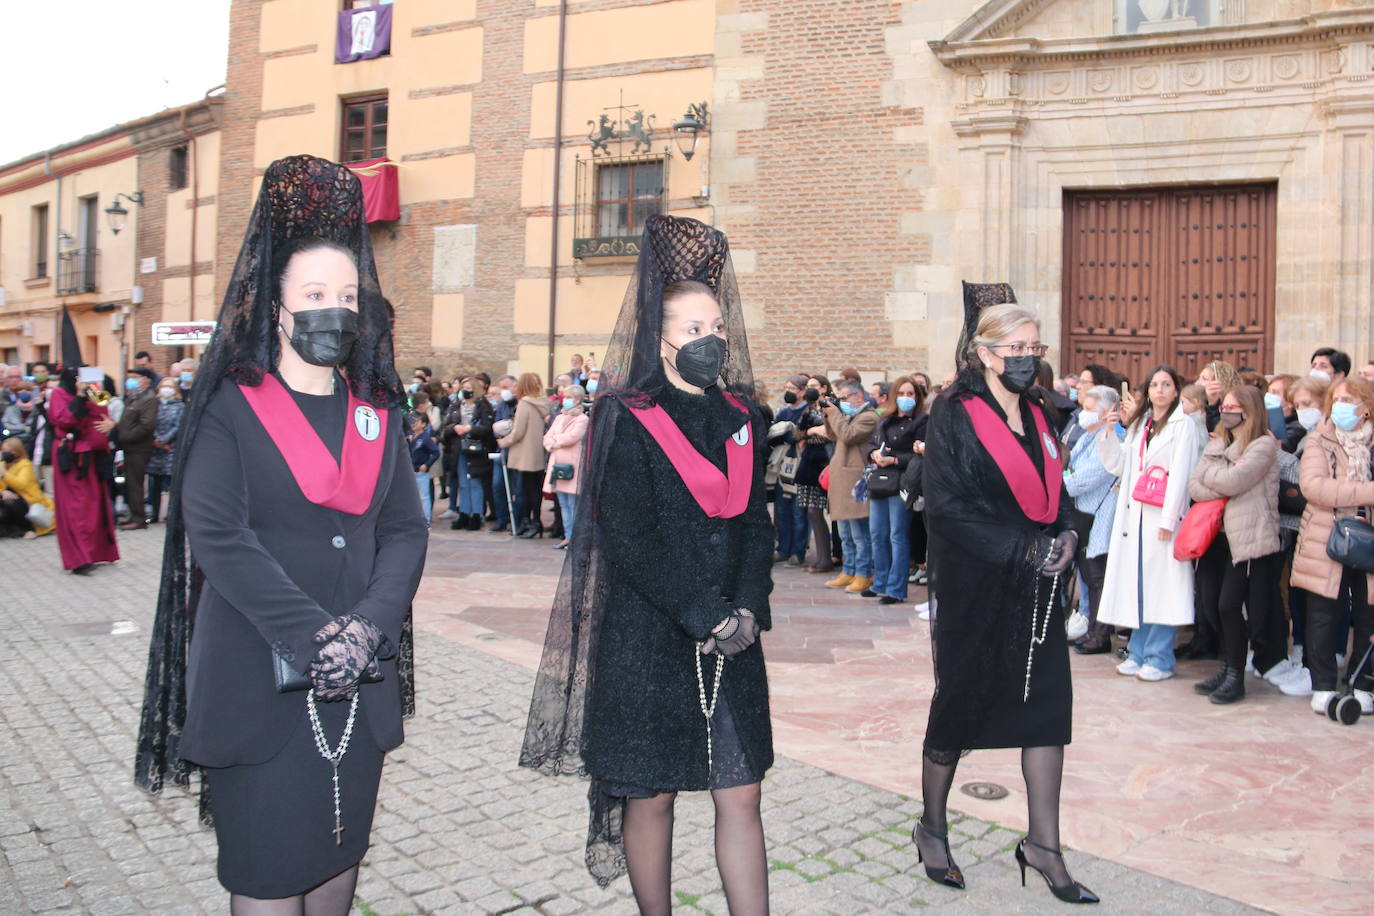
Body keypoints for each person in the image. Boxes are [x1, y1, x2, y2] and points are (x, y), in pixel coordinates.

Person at [133, 155, 428, 914]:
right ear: (277, 309)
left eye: (348, 295)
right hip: (258, 678)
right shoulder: (230, 406)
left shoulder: (377, 412)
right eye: (315, 295)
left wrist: (366, 629)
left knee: (339, 865)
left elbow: (403, 530)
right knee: (267, 879)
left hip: (358, 681)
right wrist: (320, 635)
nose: (336, 309)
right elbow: (220, 536)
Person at [520, 216, 774, 913]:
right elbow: (627, 539)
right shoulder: (624, 416)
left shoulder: (742, 415)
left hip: (734, 634)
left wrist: (747, 606)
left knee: (742, 788)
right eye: (693, 331)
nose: (710, 341)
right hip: (650, 634)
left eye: (716, 327)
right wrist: (705, 613)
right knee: (653, 795)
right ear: (657, 338)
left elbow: (755, 522)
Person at [917, 300, 1095, 904]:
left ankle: (1044, 844)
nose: (1024, 360)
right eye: (1013, 349)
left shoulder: (1042, 415)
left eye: (1034, 349)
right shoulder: (954, 415)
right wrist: (1024, 549)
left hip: (1038, 590)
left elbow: (1058, 490)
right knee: (959, 709)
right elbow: (946, 508)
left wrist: (1069, 533)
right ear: (985, 354)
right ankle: (932, 827)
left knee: (1047, 712)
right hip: (978, 586)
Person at [1096, 365, 1206, 681]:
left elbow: (1182, 473)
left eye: (1166, 384)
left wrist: (1170, 520)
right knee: (1139, 587)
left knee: (1163, 588)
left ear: (1175, 391)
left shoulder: (1182, 425)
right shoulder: (1142, 424)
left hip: (1162, 517)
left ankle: (1160, 657)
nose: (1159, 390)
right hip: (1135, 518)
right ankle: (1139, 651)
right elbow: (1120, 465)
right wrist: (1107, 434)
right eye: (1154, 384)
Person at [1186, 386, 1288, 703]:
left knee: (1231, 607)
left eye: (1234, 407)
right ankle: (1227, 667)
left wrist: (1217, 475)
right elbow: (1195, 484)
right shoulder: (1219, 441)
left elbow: (1232, 482)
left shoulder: (1262, 446)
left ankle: (1236, 676)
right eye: (1225, 405)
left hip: (1248, 538)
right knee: (1214, 604)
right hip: (1218, 537)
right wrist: (1224, 475)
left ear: (1250, 410)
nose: (1226, 411)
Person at [1292, 376, 1374, 717]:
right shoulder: (1319, 441)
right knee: (1323, 615)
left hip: (1369, 540)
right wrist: (1368, 492)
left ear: (1366, 407)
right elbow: (1315, 487)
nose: (1340, 405)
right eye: (1335, 399)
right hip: (1327, 537)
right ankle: (1323, 684)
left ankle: (1364, 683)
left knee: (1369, 617)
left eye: (1348, 399)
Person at [1063, 385, 1120, 655]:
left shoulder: (1110, 437)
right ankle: (1092, 630)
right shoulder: (1089, 435)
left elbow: (1082, 479)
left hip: (1100, 514)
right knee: (1088, 575)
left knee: (1098, 576)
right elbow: (1071, 466)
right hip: (1084, 515)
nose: (1081, 414)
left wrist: (1059, 481)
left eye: (1087, 409)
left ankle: (1102, 635)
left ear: (1105, 411)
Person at [48, 363, 120, 574]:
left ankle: (96, 553)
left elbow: (104, 412)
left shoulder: (96, 392)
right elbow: (64, 420)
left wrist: (112, 425)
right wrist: (80, 396)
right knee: (76, 507)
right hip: (71, 457)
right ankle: (79, 558)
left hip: (94, 457)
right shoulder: (59, 394)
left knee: (95, 505)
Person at [866, 376, 926, 603]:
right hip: (880, 482)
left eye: (910, 394)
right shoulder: (885, 419)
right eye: (901, 394)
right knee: (877, 534)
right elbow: (872, 444)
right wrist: (874, 454)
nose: (905, 398)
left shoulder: (921, 420)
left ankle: (896, 589)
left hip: (903, 482)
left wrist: (893, 460)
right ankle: (879, 582)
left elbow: (918, 453)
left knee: (897, 535)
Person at [823, 379, 879, 594]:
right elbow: (832, 435)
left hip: (855, 481)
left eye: (844, 397)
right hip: (841, 481)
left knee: (859, 534)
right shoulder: (847, 416)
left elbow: (848, 435)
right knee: (845, 533)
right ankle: (849, 569)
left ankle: (863, 573)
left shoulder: (868, 417)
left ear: (858, 396)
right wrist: (829, 414)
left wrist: (835, 414)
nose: (842, 402)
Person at [498, 373, 551, 538]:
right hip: (536, 453)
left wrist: (504, 441)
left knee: (522, 491)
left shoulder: (524, 404)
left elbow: (518, 432)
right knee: (534, 490)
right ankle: (535, 522)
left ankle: (527, 522)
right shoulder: (543, 403)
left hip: (523, 454)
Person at [443, 376, 497, 531]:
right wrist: (454, 427)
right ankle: (464, 513)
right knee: (463, 483)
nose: (465, 391)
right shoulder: (455, 405)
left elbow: (487, 428)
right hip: (458, 447)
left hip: (476, 449)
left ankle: (476, 514)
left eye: (468, 388)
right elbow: (446, 426)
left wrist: (470, 429)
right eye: (463, 388)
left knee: (475, 482)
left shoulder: (483, 406)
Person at [109, 368, 159, 529]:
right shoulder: (134, 398)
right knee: (130, 483)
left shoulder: (149, 399)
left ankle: (139, 518)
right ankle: (133, 515)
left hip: (139, 447)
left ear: (145, 380)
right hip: (130, 447)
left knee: (135, 483)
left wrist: (127, 436)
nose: (130, 381)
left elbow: (147, 425)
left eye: (135, 378)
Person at [542, 383, 588, 550]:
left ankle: (576, 538)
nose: (566, 400)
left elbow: (572, 437)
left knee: (573, 504)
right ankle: (568, 537)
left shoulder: (582, 419)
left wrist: (555, 441)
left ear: (578, 400)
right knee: (563, 504)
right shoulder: (560, 417)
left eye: (569, 397)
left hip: (572, 466)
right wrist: (554, 441)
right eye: (565, 397)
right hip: (557, 465)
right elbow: (547, 437)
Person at [795, 377, 834, 573]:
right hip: (809, 463)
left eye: (815, 386)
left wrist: (815, 432)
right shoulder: (808, 409)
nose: (811, 389)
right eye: (808, 386)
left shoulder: (831, 405)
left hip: (825, 462)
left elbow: (831, 432)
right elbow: (798, 433)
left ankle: (827, 558)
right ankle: (821, 558)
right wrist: (812, 431)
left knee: (821, 512)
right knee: (812, 512)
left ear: (824, 388)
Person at [771, 374, 810, 565]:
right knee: (782, 511)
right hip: (781, 465)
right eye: (786, 387)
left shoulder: (808, 412)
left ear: (802, 392)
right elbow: (775, 435)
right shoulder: (783, 412)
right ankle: (783, 549)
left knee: (798, 512)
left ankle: (798, 551)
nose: (788, 392)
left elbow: (800, 436)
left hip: (799, 467)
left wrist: (792, 434)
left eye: (792, 389)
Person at [146, 379, 185, 524]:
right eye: (164, 386)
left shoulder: (180, 406)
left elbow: (178, 425)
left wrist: (165, 440)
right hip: (155, 449)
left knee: (171, 483)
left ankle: (172, 514)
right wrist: (156, 440)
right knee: (154, 483)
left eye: (170, 387)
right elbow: (148, 422)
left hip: (171, 448)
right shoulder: (154, 405)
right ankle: (154, 514)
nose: (166, 389)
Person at [0, 438, 54, 538]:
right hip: (6, 499)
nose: (4, 453)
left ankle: (29, 529)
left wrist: (5, 474)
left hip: (27, 502)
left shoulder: (25, 465)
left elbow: (21, 484)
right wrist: (2, 492)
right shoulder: (2, 465)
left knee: (11, 503)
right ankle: (15, 530)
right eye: (3, 450)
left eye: (8, 451)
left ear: (16, 452)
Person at [407, 410, 440, 522]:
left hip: (421, 472)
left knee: (424, 497)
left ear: (423, 424)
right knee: (411, 497)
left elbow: (436, 452)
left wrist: (427, 464)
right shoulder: (409, 437)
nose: (414, 423)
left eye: (417, 421)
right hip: (410, 471)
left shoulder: (425, 438)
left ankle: (426, 519)